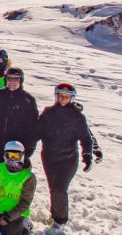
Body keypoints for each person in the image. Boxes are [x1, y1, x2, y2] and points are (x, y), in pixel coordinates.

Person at [36, 83, 97, 231]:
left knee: (60, 188)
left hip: (68, 159)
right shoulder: (48, 113)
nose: (63, 99)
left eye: (67, 97)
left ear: (71, 98)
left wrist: (87, 155)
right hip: (49, 157)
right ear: (56, 96)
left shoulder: (77, 117)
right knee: (53, 187)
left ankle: (60, 221)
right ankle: (54, 215)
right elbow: (37, 131)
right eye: (61, 96)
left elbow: (86, 139)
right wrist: (26, 147)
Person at [0, 67, 38, 166]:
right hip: (0, 142)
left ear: (21, 80)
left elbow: (33, 125)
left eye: (16, 79)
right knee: (2, 168)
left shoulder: (28, 99)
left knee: (16, 171)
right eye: (9, 78)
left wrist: (30, 146)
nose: (12, 82)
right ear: (5, 79)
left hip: (18, 145)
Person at [0, 141, 36, 235]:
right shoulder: (0, 169)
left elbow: (25, 202)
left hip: (16, 214)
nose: (13, 159)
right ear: (5, 156)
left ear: (22, 156)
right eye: (10, 155)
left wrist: (9, 217)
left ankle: (25, 224)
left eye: (16, 156)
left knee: (10, 232)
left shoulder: (28, 177)